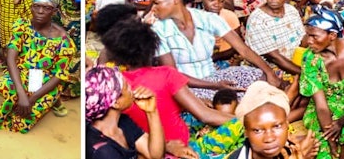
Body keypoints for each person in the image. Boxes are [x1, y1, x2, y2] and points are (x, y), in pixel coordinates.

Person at [99, 15, 247, 158]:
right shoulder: (166, 74)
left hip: (145, 145)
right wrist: (243, 120)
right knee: (236, 125)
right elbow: (206, 116)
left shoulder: (113, 82)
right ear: (152, 49)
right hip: (183, 145)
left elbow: (102, 61)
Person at [150, 0, 280, 99]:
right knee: (232, 100)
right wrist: (214, 86)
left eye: (156, 3)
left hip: (214, 77)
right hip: (187, 87)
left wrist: (269, 73)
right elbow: (173, 75)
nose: (152, 9)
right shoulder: (158, 30)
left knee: (258, 77)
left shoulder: (207, 19)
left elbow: (243, 50)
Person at [0, 0, 75, 133]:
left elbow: (58, 76)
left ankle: (51, 101)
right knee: (5, 85)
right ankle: (19, 100)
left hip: (45, 81)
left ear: (55, 11)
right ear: (31, 7)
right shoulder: (22, 26)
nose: (40, 11)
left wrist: (30, 100)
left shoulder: (64, 40)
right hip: (22, 73)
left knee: (21, 123)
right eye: (36, 6)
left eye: (47, 8)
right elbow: (11, 58)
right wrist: (22, 93)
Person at [300, 5, 344, 159]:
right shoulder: (311, 58)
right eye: (307, 35)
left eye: (314, 36)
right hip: (324, 111)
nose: (308, 41)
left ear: (332, 35)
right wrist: (331, 140)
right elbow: (321, 105)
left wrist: (343, 121)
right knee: (324, 150)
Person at [85, 66, 164, 159]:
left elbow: (154, 155)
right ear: (116, 103)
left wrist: (152, 112)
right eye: (126, 86)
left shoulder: (122, 122)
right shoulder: (102, 151)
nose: (131, 88)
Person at [226, 81, 317, 159]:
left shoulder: (290, 149)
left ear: (287, 125)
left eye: (277, 126)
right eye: (258, 130)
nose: (269, 138)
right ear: (246, 132)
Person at [244, 0, 304, 77]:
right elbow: (274, 58)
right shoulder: (258, 20)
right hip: (270, 70)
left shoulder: (291, 10)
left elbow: (302, 40)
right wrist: (304, 73)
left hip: (294, 63)